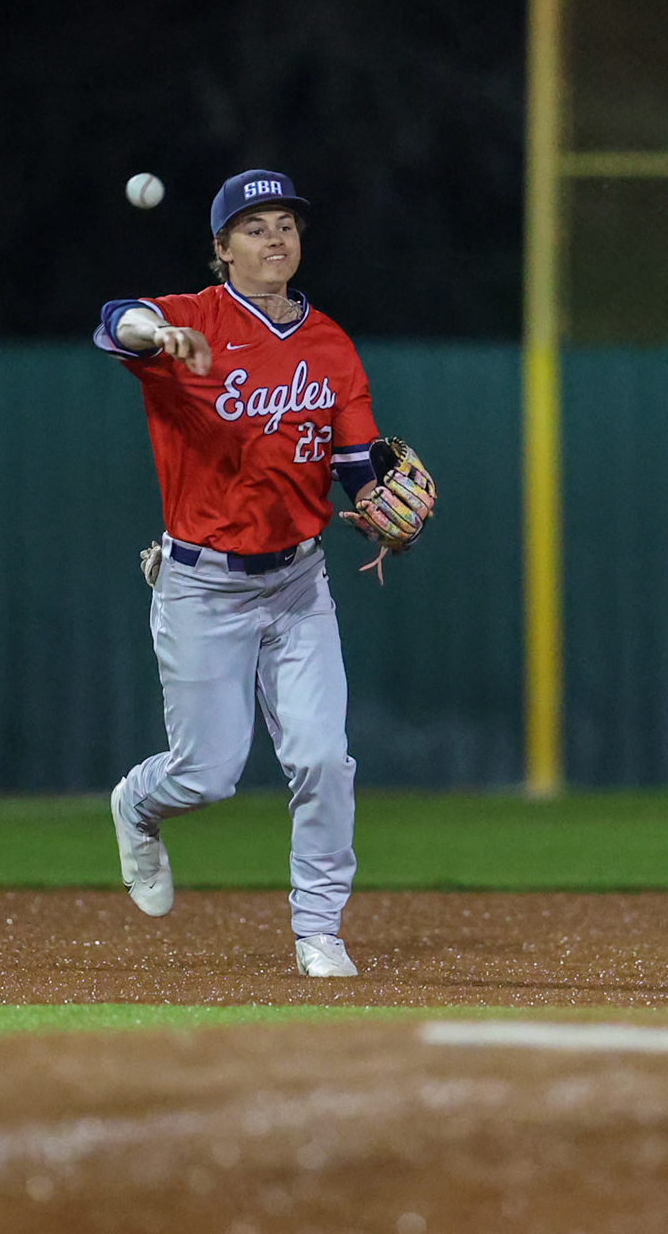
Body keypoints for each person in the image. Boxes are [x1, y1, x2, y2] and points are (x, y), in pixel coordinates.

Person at [93, 168, 417, 978]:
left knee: (320, 756)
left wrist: (380, 501)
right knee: (206, 776)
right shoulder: (188, 321)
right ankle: (138, 803)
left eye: (287, 225)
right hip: (202, 584)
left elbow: (354, 463)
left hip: (298, 582)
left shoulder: (330, 344)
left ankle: (319, 930)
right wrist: (154, 334)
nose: (277, 239)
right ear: (221, 249)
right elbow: (115, 321)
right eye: (255, 226)